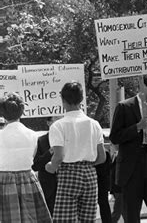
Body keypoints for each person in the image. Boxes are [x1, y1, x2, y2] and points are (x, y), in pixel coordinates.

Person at [109, 74, 147, 223]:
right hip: (130, 171)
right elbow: (115, 137)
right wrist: (137, 127)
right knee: (131, 216)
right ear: (143, 85)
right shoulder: (124, 107)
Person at [46, 81, 106, 222]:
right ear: (81, 99)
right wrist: (87, 164)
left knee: (65, 220)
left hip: (68, 173)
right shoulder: (94, 124)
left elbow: (58, 156)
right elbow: (102, 157)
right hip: (90, 174)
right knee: (88, 219)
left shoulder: (58, 126)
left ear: (63, 100)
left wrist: (50, 167)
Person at [0, 93, 52, 223]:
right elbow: (32, 156)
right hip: (28, 179)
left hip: (4, 180)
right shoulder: (32, 135)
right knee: (31, 218)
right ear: (22, 111)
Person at [32, 116, 60, 215]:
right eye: (55, 120)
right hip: (47, 186)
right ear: (48, 123)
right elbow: (35, 165)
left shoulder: (68, 138)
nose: (58, 123)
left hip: (65, 185)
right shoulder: (41, 140)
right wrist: (49, 152)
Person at [96, 147, 112, 222]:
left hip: (100, 182)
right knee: (104, 205)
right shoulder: (106, 152)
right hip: (103, 183)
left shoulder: (103, 153)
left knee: (103, 205)